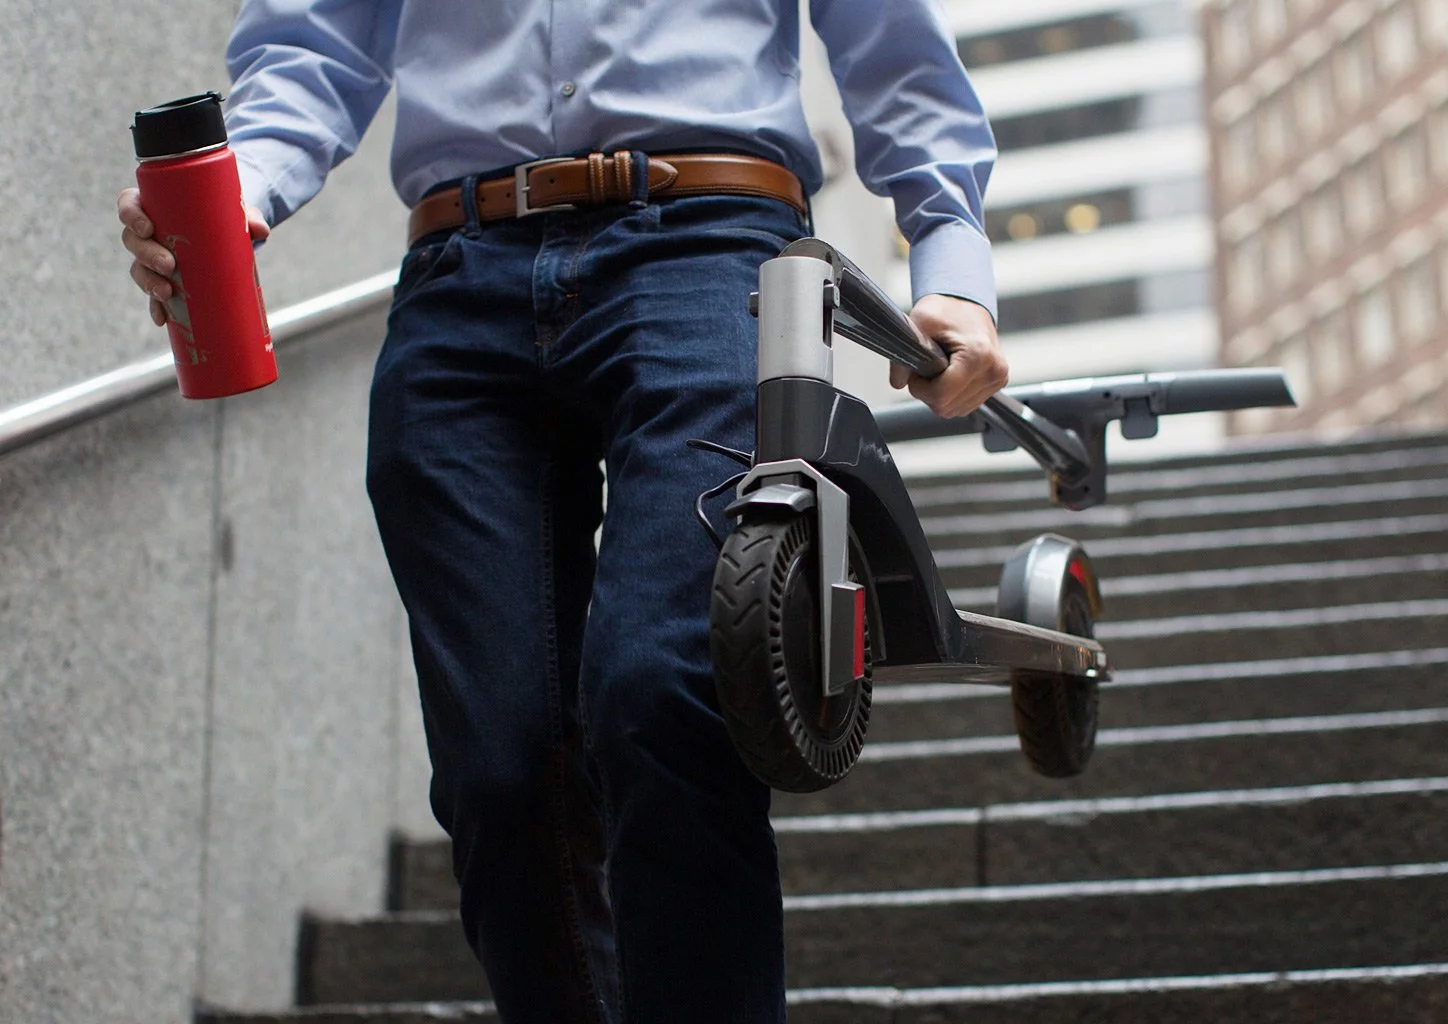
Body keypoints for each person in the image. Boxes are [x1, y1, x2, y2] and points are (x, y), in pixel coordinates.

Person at [119, 2, 1007, 1020]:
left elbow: (888, 43)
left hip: (709, 244)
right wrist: (244, 181)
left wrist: (949, 254)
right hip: (459, 271)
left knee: (663, 685)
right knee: (498, 770)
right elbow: (313, 40)